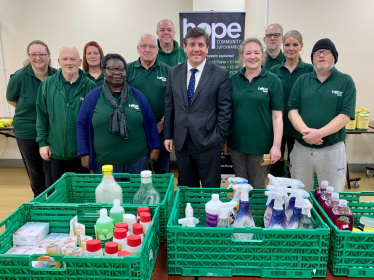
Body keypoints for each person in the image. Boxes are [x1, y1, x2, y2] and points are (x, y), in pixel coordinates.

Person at [164, 27, 232, 188]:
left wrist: (219, 136)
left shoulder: (220, 74)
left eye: (201, 45)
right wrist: (168, 135)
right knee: (187, 189)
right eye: (192, 44)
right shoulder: (173, 73)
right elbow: (169, 106)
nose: (196, 49)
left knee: (210, 188)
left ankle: (210, 214)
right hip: (182, 143)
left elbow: (225, 109)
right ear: (185, 47)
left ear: (207, 48)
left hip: (208, 141)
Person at [288, 38, 356, 192]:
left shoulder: (345, 81)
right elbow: (292, 110)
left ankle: (326, 218)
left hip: (331, 151)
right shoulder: (302, 80)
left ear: (334, 57)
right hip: (301, 150)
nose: (321, 55)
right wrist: (307, 133)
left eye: (326, 51)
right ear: (312, 58)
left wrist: (319, 133)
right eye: (317, 52)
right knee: (299, 195)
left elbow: (345, 115)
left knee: (331, 197)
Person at [77, 53, 161, 174]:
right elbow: (82, 125)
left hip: (138, 162)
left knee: (136, 193)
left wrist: (155, 147)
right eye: (111, 69)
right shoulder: (93, 97)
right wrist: (84, 153)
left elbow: (151, 121)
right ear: (104, 71)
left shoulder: (138, 95)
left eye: (121, 69)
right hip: (104, 164)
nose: (117, 72)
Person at [223, 38, 284, 189]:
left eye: (256, 53)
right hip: (236, 145)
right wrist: (224, 139)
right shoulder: (232, 80)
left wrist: (276, 146)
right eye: (248, 53)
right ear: (242, 56)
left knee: (257, 186)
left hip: (261, 146)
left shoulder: (273, 80)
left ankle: (257, 212)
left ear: (263, 56)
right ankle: (242, 212)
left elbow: (277, 117)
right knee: (241, 186)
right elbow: (226, 113)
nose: (252, 57)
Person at [36, 46, 96, 183]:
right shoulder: (47, 85)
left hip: (81, 153)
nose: (69, 62)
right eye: (65, 59)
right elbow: (41, 115)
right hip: (55, 152)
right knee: (57, 195)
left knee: (83, 194)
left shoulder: (90, 86)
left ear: (80, 61)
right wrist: (42, 143)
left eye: (73, 59)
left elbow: (95, 121)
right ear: (58, 61)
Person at [6, 40, 57, 197]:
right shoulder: (19, 77)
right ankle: (39, 201)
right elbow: (11, 99)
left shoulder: (57, 75)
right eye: (33, 54)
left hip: (51, 131)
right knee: (35, 170)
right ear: (28, 56)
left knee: (51, 168)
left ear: (49, 55)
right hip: (27, 132)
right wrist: (31, 113)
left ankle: (54, 203)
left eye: (42, 54)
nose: (38, 58)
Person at [269, 30, 314, 177]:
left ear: (301, 46)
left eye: (295, 44)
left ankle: (294, 196)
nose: (291, 48)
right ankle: (276, 195)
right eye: (287, 44)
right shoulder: (274, 70)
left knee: (296, 164)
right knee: (276, 163)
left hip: (300, 125)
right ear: (283, 46)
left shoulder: (309, 70)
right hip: (278, 124)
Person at [126, 34, 170, 174]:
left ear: (157, 49)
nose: (147, 49)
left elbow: (174, 102)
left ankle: (163, 196)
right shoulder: (127, 70)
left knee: (162, 174)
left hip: (161, 130)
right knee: (137, 174)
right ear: (138, 49)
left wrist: (162, 123)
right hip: (135, 132)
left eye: (151, 46)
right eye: (144, 46)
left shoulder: (169, 71)